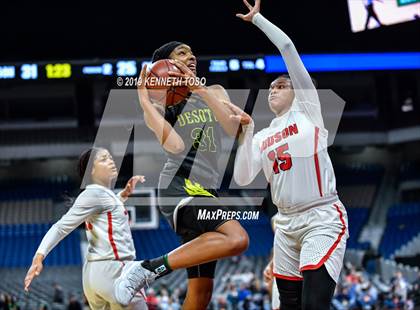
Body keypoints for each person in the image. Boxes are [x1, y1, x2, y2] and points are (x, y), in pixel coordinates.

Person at [230, 0, 349, 309]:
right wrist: (245, 133)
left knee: (314, 303)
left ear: (297, 90)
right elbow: (242, 178)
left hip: (321, 218)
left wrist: (258, 21)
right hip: (284, 225)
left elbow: (286, 47)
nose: (274, 89)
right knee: (288, 306)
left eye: (281, 85)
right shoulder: (264, 135)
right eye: (271, 86)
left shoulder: (309, 112)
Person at [114, 42, 249, 309]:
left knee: (200, 295)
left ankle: (149, 268)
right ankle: (147, 268)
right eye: (182, 53)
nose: (192, 56)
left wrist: (198, 88)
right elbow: (174, 146)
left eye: (191, 51)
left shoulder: (214, 91)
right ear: (166, 65)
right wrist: (144, 100)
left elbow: (233, 130)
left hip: (207, 190)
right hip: (181, 188)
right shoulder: (160, 102)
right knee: (238, 239)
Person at [24, 147, 148, 310]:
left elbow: (106, 209)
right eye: (104, 159)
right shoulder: (94, 195)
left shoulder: (101, 195)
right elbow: (60, 227)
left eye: (110, 157)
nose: (111, 160)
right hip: (115, 271)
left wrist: (123, 195)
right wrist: (38, 257)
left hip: (95, 274)